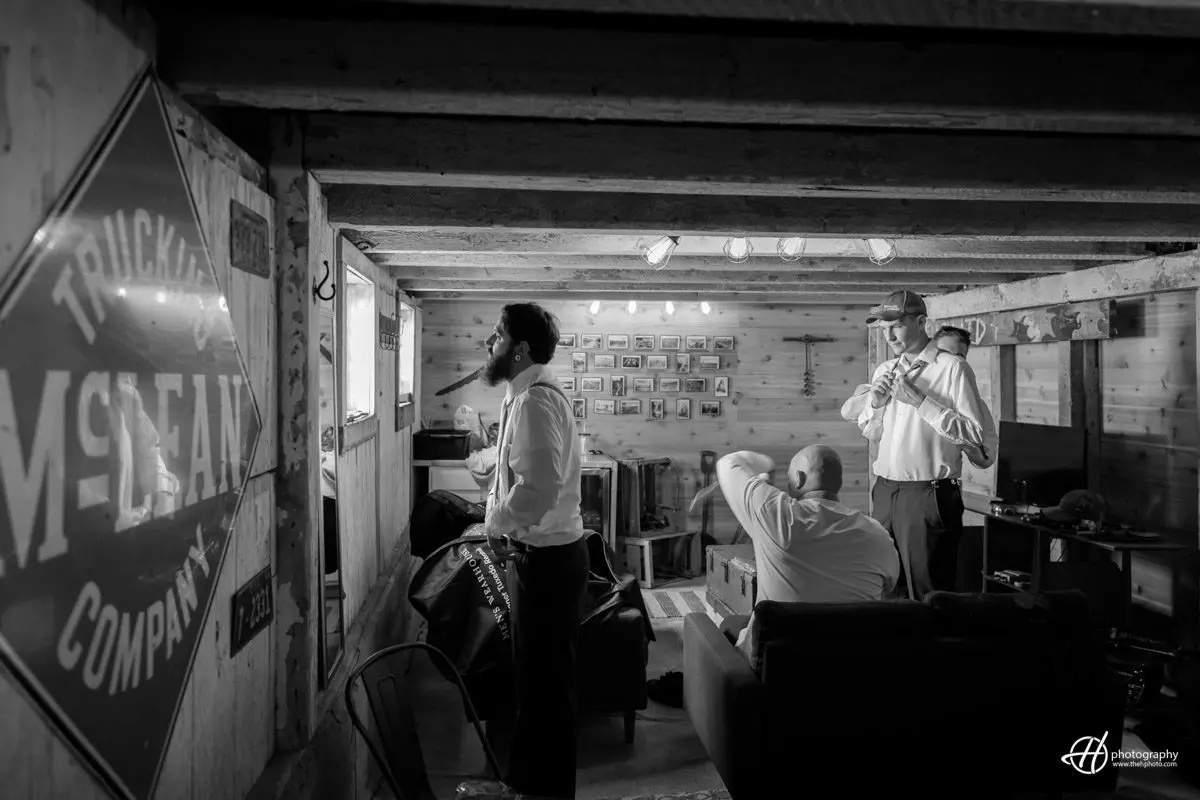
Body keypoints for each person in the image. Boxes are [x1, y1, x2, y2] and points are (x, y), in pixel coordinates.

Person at [480, 302, 588, 800]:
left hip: (547, 564)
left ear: (520, 349)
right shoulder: (525, 396)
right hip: (543, 558)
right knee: (538, 683)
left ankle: (541, 791)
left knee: (546, 688)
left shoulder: (535, 402)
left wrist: (494, 521)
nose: (490, 343)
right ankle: (529, 785)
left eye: (498, 335)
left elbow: (539, 490)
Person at [840, 289, 995, 600]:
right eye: (884, 328)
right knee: (885, 585)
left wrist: (921, 401)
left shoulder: (952, 368)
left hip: (928, 494)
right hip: (885, 491)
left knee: (929, 592)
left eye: (896, 326)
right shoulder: (885, 370)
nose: (889, 336)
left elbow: (974, 434)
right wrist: (876, 405)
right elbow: (873, 433)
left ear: (922, 322)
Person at [707, 446, 900, 665]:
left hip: (776, 670)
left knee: (728, 627)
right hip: (854, 667)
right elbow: (889, 587)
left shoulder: (775, 513)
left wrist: (766, 464)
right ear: (839, 482)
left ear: (799, 479)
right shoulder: (878, 535)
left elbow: (728, 463)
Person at [933, 325, 998, 470]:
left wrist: (964, 438)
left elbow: (987, 459)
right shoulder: (909, 388)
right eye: (944, 354)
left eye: (958, 357)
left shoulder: (974, 405)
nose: (951, 362)